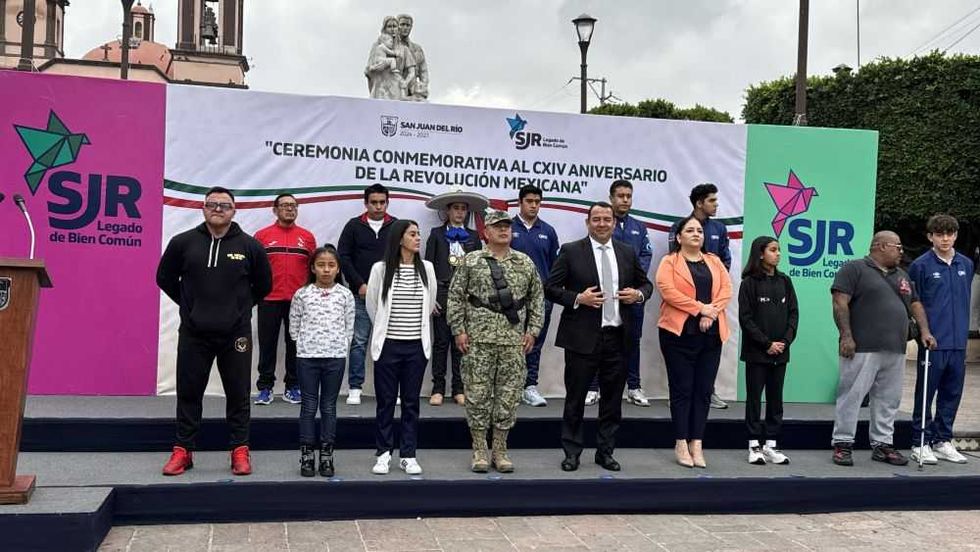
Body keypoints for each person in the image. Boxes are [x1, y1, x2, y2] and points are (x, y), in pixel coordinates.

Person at [156, 186, 272, 476]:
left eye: (224, 205)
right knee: (189, 392)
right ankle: (183, 450)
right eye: (212, 204)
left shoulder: (250, 246)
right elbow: (164, 277)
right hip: (194, 333)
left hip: (236, 335)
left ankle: (240, 450)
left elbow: (264, 286)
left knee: (238, 393)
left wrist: (239, 310)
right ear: (203, 208)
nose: (218, 209)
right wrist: (191, 307)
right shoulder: (183, 243)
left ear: (234, 211)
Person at [546, 202, 653, 472]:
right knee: (575, 399)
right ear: (588, 223)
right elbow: (550, 288)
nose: (602, 224)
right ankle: (572, 452)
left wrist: (638, 295)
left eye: (607, 219)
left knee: (612, 402)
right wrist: (577, 298)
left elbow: (646, 284)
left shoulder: (627, 252)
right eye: (596, 219)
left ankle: (605, 452)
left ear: (614, 223)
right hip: (581, 339)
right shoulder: (571, 251)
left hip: (618, 338)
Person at [448, 209, 544, 473]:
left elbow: (537, 298)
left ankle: (500, 450)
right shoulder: (471, 261)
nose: (504, 230)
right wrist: (458, 330)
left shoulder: (524, 262)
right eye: (498, 226)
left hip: (513, 342)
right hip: (478, 341)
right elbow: (455, 296)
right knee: (477, 395)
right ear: (486, 232)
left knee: (508, 396)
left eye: (507, 226)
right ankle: (480, 449)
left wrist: (533, 330)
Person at [830, 231, 936, 467]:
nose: (901, 252)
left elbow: (915, 304)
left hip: (895, 348)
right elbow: (839, 302)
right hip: (862, 346)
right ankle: (843, 443)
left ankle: (882, 444)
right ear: (881, 246)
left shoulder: (902, 275)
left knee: (889, 399)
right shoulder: (854, 268)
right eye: (898, 247)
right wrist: (846, 336)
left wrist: (925, 331)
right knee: (851, 396)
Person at [656, 215, 731, 469]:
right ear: (679, 237)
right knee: (682, 390)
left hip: (711, 335)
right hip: (678, 335)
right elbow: (668, 291)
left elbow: (726, 290)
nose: (696, 234)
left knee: (703, 391)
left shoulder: (715, 261)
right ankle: (680, 442)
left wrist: (711, 313)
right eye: (690, 230)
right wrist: (701, 309)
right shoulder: (669, 262)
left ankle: (696, 443)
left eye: (699, 230)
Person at [365, 220, 438, 475]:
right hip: (388, 347)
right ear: (399, 239)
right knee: (385, 402)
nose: (418, 238)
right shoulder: (380, 269)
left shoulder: (427, 268)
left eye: (419, 234)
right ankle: (383, 453)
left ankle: (408, 454)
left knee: (410, 402)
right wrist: (386, 332)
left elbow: (430, 303)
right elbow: (373, 306)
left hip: (416, 347)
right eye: (412, 234)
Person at [908, 215, 974, 465]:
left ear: (955, 236)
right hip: (933, 342)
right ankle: (920, 442)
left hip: (958, 343)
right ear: (930, 237)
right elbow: (914, 302)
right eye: (939, 234)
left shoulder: (966, 264)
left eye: (949, 234)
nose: (945, 239)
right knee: (925, 394)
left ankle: (942, 440)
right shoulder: (920, 265)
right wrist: (922, 333)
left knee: (952, 393)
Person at [289, 246, 355, 477]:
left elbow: (349, 326)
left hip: (334, 358)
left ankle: (327, 455)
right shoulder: (302, 294)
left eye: (331, 265)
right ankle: (307, 455)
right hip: (307, 358)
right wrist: (304, 344)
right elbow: (294, 325)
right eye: (321, 265)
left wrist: (339, 346)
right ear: (312, 268)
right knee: (308, 407)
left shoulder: (345, 295)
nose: (326, 270)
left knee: (328, 406)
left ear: (338, 269)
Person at [588, 179, 654, 407]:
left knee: (632, 342)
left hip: (631, 295)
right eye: (620, 196)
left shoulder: (639, 227)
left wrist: (632, 284)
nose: (625, 200)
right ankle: (593, 387)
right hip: (604, 295)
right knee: (598, 341)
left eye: (628, 196)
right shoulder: (603, 224)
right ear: (611, 198)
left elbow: (645, 256)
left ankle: (634, 387)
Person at [668, 183, 731, 409]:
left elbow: (725, 263)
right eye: (712, 200)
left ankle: (708, 392)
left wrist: (710, 309)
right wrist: (697, 306)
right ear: (699, 203)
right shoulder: (679, 226)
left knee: (708, 357)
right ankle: (678, 396)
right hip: (684, 308)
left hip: (713, 307)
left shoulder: (719, 229)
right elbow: (675, 266)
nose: (716, 205)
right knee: (681, 364)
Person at [423, 189, 487, 406]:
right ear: (447, 211)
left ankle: (459, 389)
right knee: (441, 342)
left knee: (461, 343)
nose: (459, 213)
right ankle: (438, 388)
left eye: (463, 209)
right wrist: (431, 297)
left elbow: (478, 270)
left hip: (465, 296)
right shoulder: (436, 234)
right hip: (442, 292)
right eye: (456, 208)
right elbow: (428, 267)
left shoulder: (474, 237)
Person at [739, 236, 798, 465]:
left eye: (779, 250)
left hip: (781, 353)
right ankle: (754, 445)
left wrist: (784, 341)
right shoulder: (749, 283)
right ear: (760, 254)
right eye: (773, 250)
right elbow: (746, 319)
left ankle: (771, 444)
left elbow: (793, 314)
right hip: (757, 353)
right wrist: (766, 344)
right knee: (755, 399)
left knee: (776, 400)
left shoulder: (785, 281)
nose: (778, 254)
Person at [253, 193, 316, 406]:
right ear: (275, 210)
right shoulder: (262, 236)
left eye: (293, 206)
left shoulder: (307, 237)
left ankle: (293, 386)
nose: (290, 209)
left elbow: (313, 268)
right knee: (267, 345)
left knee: (295, 345)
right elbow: (254, 268)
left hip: (298, 301)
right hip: (269, 299)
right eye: (285, 205)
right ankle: (265, 388)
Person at [338, 184, 397, 405]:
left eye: (382, 202)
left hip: (390, 297)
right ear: (366, 203)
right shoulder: (353, 226)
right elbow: (343, 257)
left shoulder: (397, 226)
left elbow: (404, 257)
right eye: (374, 202)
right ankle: (355, 388)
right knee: (359, 342)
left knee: (391, 344)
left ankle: (391, 389)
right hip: (361, 296)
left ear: (387, 203)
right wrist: (359, 284)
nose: (378, 206)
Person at [510, 185, 560, 407]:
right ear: (520, 202)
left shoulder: (548, 231)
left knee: (534, 343)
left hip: (541, 298)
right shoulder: (508, 227)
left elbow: (555, 267)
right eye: (529, 201)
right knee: (511, 342)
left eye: (537, 202)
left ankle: (529, 386)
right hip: (511, 298)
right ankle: (510, 387)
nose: (533, 205)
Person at [397, 14, 429, 101]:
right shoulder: (391, 47)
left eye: (408, 25)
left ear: (411, 27)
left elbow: (423, 72)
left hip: (413, 91)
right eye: (402, 24)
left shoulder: (417, 49)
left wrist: (423, 87)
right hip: (396, 90)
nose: (405, 28)